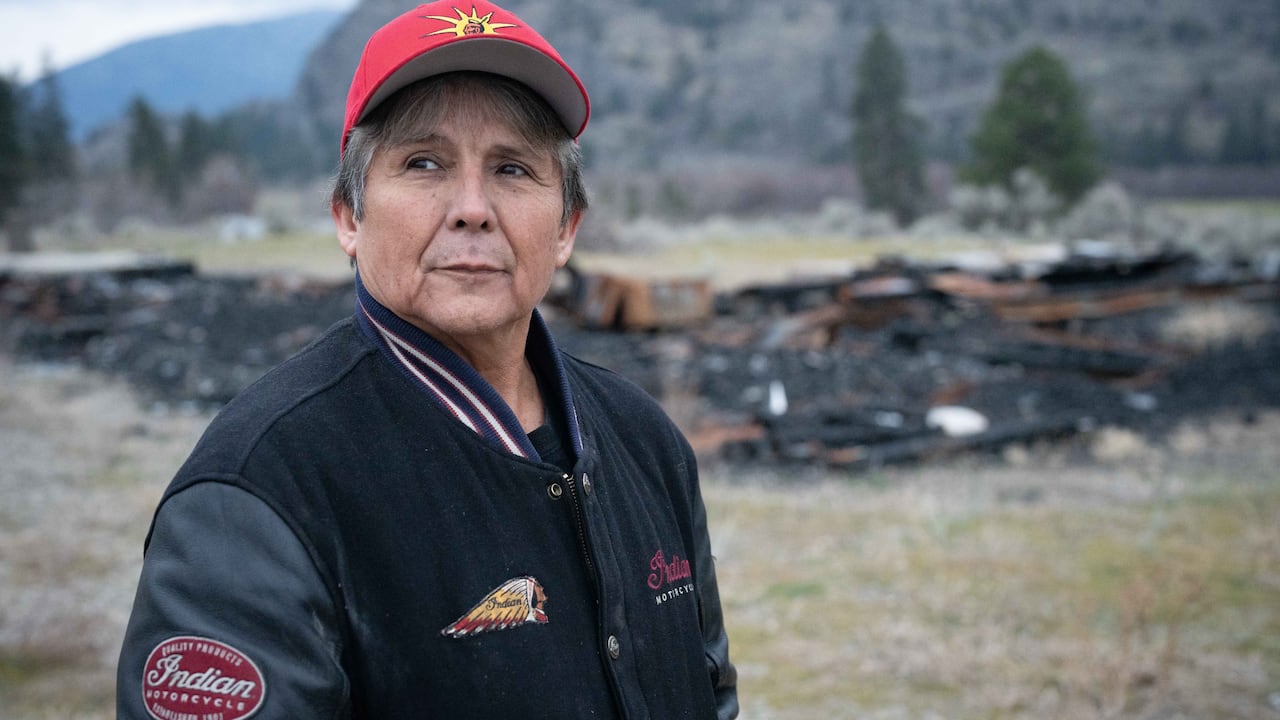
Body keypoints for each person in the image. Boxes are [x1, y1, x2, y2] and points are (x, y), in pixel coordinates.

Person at [116, 1, 738, 718]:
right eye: (424, 162)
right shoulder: (258, 492)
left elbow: (709, 690)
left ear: (566, 227)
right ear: (349, 217)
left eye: (512, 168)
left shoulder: (644, 439)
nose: (472, 207)